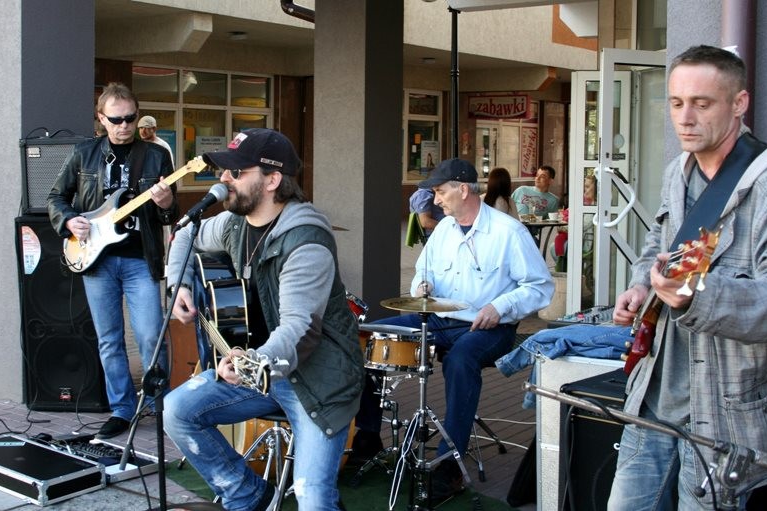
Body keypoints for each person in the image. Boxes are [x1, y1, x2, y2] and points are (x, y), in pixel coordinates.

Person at [609, 45, 767, 510]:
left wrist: (694, 297)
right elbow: (657, 245)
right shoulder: (678, 171)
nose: (684, 118)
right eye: (675, 103)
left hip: (725, 413)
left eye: (702, 103)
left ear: (739, 103)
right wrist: (641, 286)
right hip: (654, 393)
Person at [163, 128, 364, 510]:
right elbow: (184, 235)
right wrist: (180, 284)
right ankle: (248, 495)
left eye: (236, 172)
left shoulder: (306, 243)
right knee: (176, 411)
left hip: (316, 382)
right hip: (259, 370)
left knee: (312, 498)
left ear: (272, 180)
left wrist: (251, 363)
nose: (223, 180)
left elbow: (298, 331)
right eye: (225, 171)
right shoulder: (235, 224)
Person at [353, 158, 554, 504]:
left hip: (489, 327)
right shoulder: (444, 229)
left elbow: (539, 287)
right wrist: (423, 284)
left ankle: (449, 465)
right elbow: (421, 272)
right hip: (438, 320)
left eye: (440, 192)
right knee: (370, 338)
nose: (436, 200)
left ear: (463, 190)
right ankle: (369, 436)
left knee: (461, 361)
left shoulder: (509, 232)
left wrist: (499, 307)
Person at [47, 82, 178, 439]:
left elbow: (170, 213)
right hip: (97, 261)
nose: (124, 125)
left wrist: (166, 203)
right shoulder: (83, 153)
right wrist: (69, 222)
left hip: (140, 258)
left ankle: (158, 404)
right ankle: (121, 409)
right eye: (116, 119)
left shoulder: (155, 156)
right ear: (101, 119)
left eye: (130, 118)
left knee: (152, 336)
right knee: (109, 339)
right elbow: (56, 197)